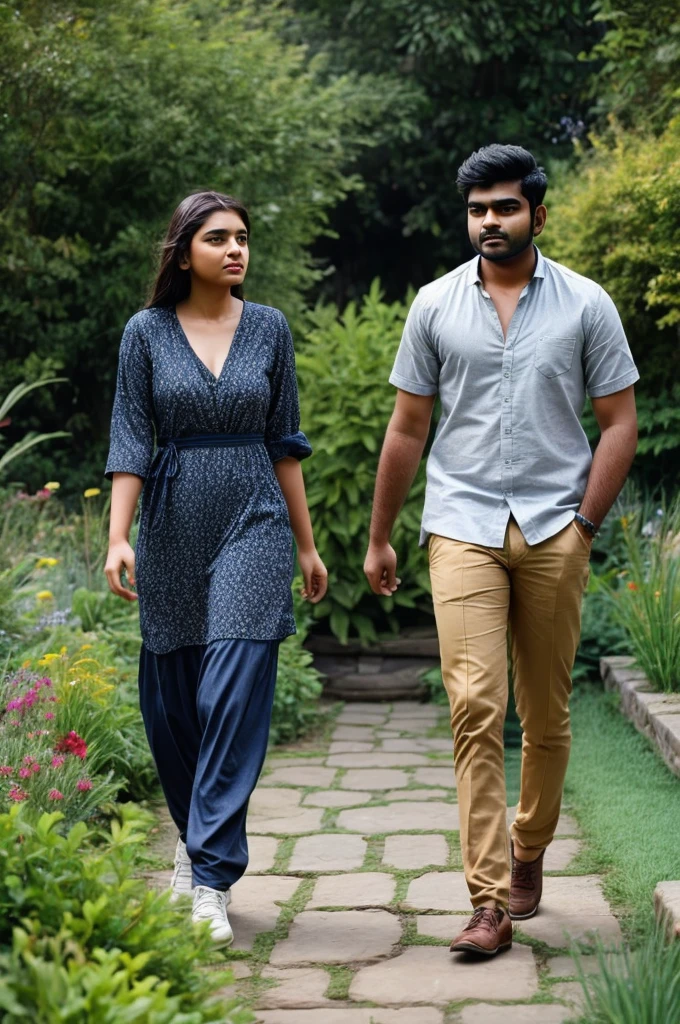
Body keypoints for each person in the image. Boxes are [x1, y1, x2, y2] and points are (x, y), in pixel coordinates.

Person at [364, 144, 638, 957]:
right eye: (479, 208)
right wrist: (380, 534)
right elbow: (409, 427)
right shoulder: (435, 305)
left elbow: (619, 421)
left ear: (537, 215)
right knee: (476, 706)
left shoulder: (587, 305)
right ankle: (487, 902)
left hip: (557, 525)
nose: (490, 221)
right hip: (462, 525)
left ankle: (530, 845)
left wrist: (585, 525)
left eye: (505, 207)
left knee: (546, 717)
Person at [104, 190, 327, 947]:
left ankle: (211, 879)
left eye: (243, 237)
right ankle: (194, 842)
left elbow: (283, 441)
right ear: (183, 250)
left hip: (253, 520)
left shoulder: (269, 328)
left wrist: (304, 544)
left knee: (234, 682)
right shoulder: (146, 333)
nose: (236, 249)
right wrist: (117, 536)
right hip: (170, 526)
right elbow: (131, 440)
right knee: (173, 704)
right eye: (218, 237)